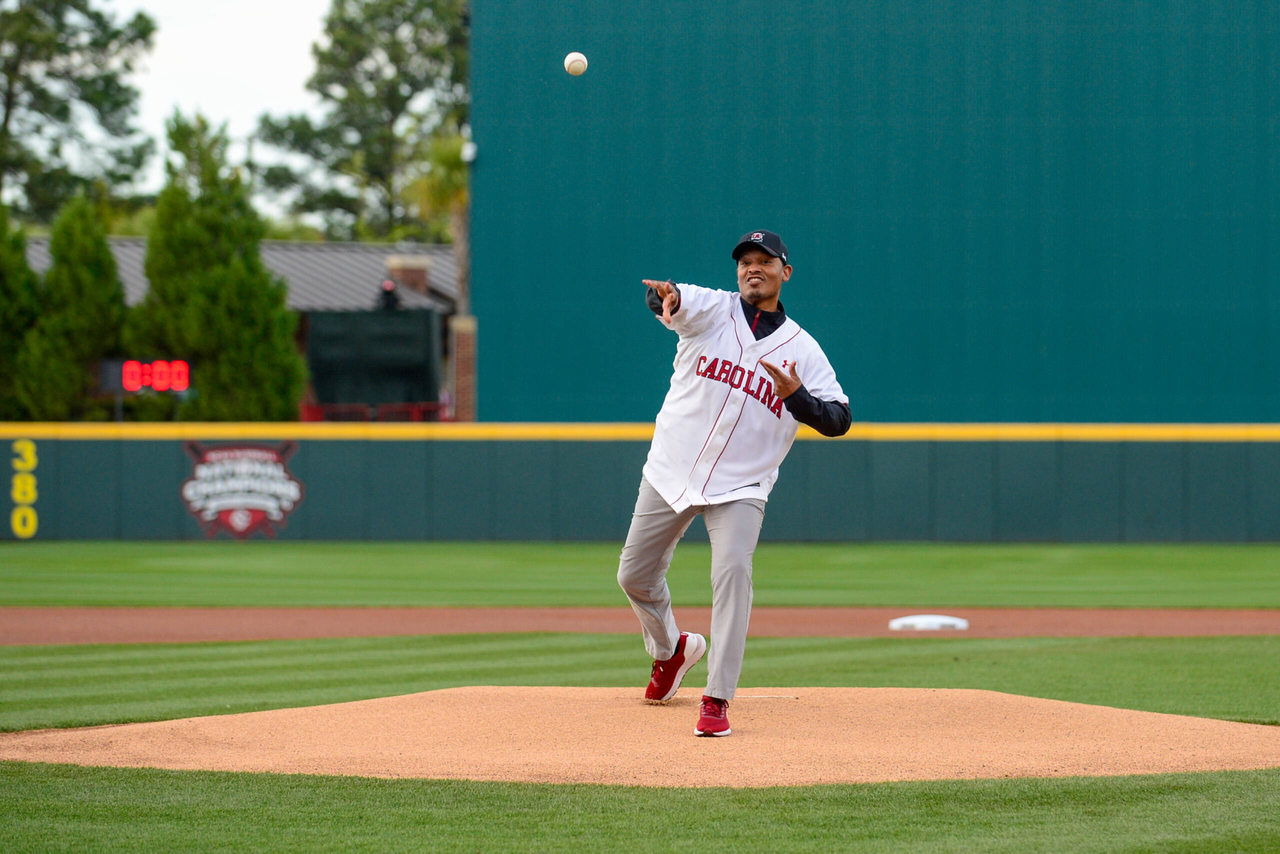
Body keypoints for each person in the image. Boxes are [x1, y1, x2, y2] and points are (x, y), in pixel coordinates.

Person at [617, 229, 851, 737]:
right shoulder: (713, 309)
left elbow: (839, 419)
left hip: (742, 485)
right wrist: (665, 297)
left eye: (765, 260)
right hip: (672, 467)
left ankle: (717, 698)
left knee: (732, 575)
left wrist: (797, 397)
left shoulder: (803, 349)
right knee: (633, 576)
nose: (753, 268)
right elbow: (669, 298)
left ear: (785, 272)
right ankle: (671, 651)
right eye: (746, 261)